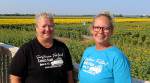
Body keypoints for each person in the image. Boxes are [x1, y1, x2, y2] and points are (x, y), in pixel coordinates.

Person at [9, 12, 74, 83]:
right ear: (36, 28)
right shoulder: (26, 49)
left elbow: (69, 73)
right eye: (44, 26)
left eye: (51, 26)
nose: (48, 29)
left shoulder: (62, 47)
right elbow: (15, 77)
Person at [78, 12, 131, 83]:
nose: (100, 31)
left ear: (111, 31)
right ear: (92, 29)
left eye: (105, 28)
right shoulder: (87, 51)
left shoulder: (118, 58)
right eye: (97, 27)